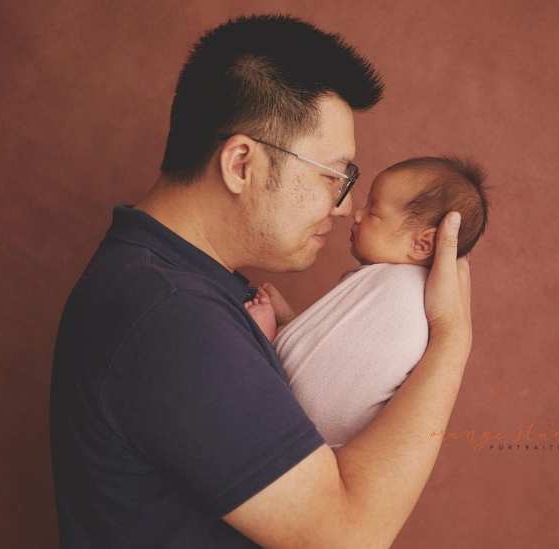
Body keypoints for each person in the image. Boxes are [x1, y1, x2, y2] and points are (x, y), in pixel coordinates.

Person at [50, 14, 473, 549]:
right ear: (242, 164)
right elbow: (347, 540)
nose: (344, 208)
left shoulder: (184, 285)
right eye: (333, 177)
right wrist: (451, 340)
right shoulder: (171, 315)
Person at [244, 156, 488, 448]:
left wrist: (275, 336)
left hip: (295, 428)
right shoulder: (388, 282)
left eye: (373, 210)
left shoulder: (399, 290)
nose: (356, 214)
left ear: (422, 244)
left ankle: (266, 343)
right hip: (312, 442)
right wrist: (289, 319)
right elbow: (335, 350)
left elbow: (320, 385)